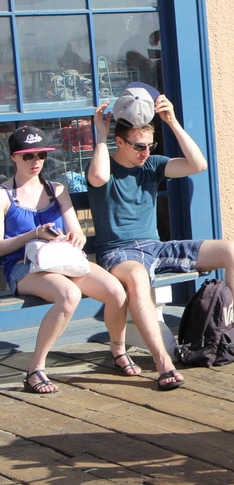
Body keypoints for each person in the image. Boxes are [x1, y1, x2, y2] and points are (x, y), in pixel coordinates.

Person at [86, 83, 234, 391]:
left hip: (155, 247)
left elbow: (198, 164)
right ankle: (163, 364)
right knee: (138, 277)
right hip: (118, 253)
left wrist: (172, 122)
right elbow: (98, 177)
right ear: (120, 142)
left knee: (233, 250)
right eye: (138, 146)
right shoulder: (105, 164)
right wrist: (100, 136)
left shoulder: (152, 165)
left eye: (149, 146)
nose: (145, 153)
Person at [0, 127, 139, 394]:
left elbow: (78, 232)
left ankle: (118, 351)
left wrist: (76, 237)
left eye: (41, 154)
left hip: (60, 259)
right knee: (70, 295)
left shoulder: (57, 189)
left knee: (116, 291)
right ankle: (35, 369)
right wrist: (33, 234)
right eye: (28, 156)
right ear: (14, 157)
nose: (36, 161)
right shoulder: (5, 195)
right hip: (24, 267)